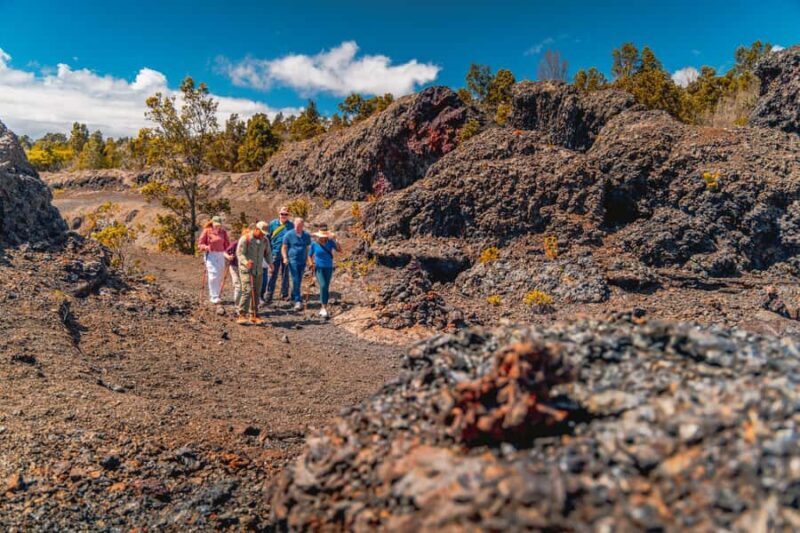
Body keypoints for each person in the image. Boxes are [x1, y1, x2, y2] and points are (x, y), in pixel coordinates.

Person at [236, 222, 272, 325]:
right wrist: (246, 262)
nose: (263, 235)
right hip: (246, 270)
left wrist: (270, 263)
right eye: (261, 232)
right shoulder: (245, 239)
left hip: (258, 270)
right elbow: (239, 253)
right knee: (247, 290)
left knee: (257, 292)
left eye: (264, 233)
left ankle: (254, 315)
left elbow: (268, 253)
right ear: (256, 229)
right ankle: (242, 314)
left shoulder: (265, 240)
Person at [264, 207, 294, 303]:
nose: (283, 216)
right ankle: (269, 294)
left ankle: (284, 294)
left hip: (287, 253)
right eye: (282, 214)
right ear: (279, 214)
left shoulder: (291, 225)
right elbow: (268, 237)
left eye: (286, 214)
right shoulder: (273, 224)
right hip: (275, 252)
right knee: (273, 274)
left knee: (285, 274)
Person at [197, 216, 230, 304]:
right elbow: (200, 244)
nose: (217, 226)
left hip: (221, 254)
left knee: (219, 275)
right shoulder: (207, 231)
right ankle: (213, 296)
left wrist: (229, 253)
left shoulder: (223, 232)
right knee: (213, 275)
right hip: (210, 254)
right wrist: (207, 247)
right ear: (212, 223)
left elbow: (227, 244)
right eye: (216, 225)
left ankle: (217, 294)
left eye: (219, 225)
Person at [281, 217, 312, 311]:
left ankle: (293, 297)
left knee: (299, 279)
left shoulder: (306, 235)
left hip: (302, 261)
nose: (298, 227)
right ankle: (298, 301)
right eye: (296, 225)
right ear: (294, 224)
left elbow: (307, 248)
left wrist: (309, 260)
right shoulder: (289, 234)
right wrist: (285, 258)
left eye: (300, 226)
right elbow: (284, 248)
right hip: (292, 260)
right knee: (295, 280)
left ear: (303, 225)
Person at [309, 229, 341, 318]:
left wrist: (336, 240)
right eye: (321, 236)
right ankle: (323, 308)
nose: (323, 238)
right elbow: (309, 255)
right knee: (323, 285)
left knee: (326, 287)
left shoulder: (330, 242)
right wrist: (311, 263)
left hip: (329, 267)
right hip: (318, 268)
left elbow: (339, 250)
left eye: (324, 236)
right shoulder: (314, 244)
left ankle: (324, 307)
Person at [224, 237, 241, 312]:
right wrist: (228, 257)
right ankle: (237, 307)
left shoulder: (251, 244)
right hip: (234, 266)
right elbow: (225, 252)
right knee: (238, 285)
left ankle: (243, 305)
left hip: (245, 268)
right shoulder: (235, 243)